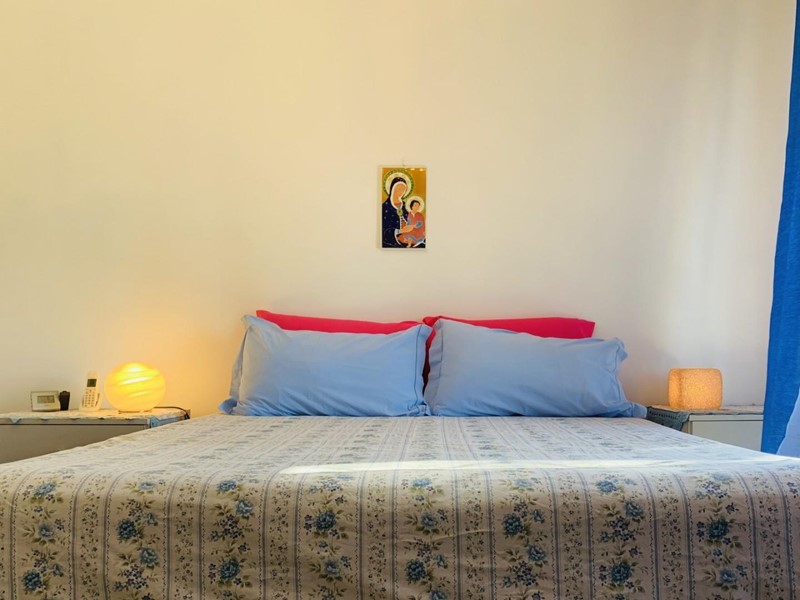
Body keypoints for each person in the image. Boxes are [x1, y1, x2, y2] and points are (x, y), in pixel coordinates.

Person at [381, 176, 409, 248]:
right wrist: (400, 231)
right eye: (398, 188)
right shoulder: (385, 207)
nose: (401, 191)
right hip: (393, 241)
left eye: (403, 189)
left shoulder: (406, 206)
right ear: (392, 188)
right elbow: (384, 231)